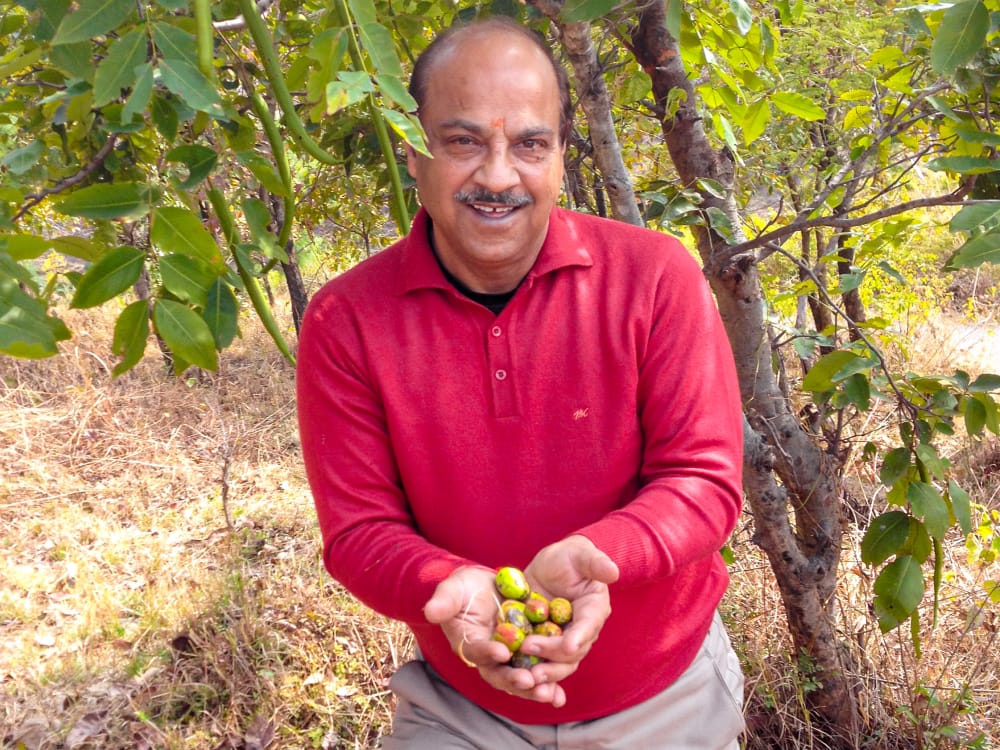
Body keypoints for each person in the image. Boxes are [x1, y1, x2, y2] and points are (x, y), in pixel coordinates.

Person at [297, 17, 746, 749]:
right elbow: (358, 533)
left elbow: (704, 481)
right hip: (460, 707)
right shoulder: (347, 319)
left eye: (530, 144)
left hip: (667, 693)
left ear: (563, 156)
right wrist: (449, 586)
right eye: (464, 141)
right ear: (414, 151)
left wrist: (605, 555)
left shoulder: (656, 276)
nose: (499, 176)